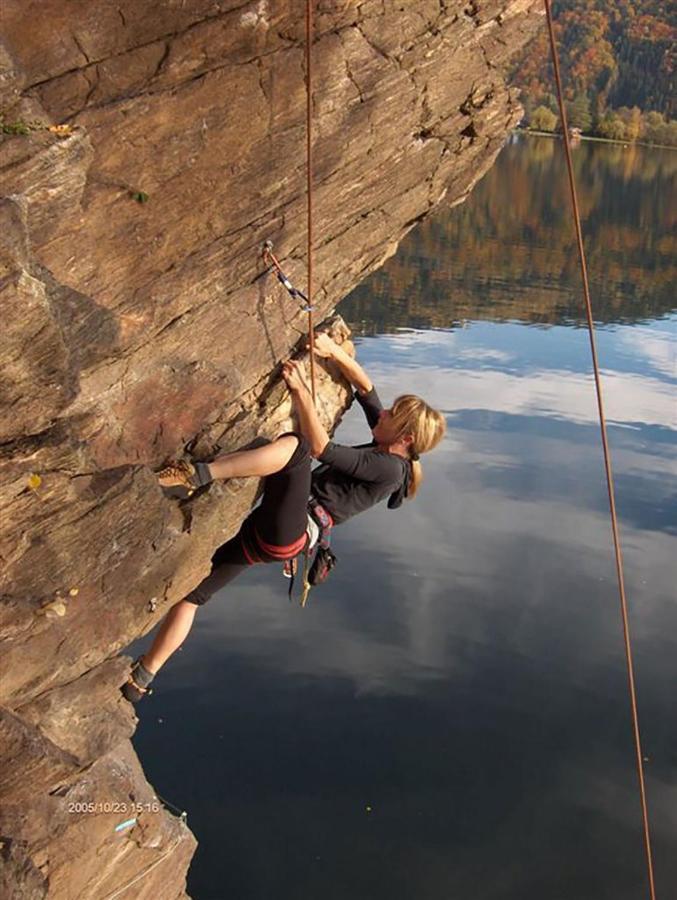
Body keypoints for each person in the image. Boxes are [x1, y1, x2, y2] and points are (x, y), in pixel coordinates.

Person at [122, 333, 446, 701]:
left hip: (288, 532)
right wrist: (334, 353)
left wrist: (301, 394)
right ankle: (142, 678)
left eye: (391, 415)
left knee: (296, 450)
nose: (383, 413)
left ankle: (195, 476)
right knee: (193, 596)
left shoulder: (389, 468)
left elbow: (322, 449)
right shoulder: (388, 445)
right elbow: (366, 389)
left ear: (404, 437)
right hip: (279, 534)